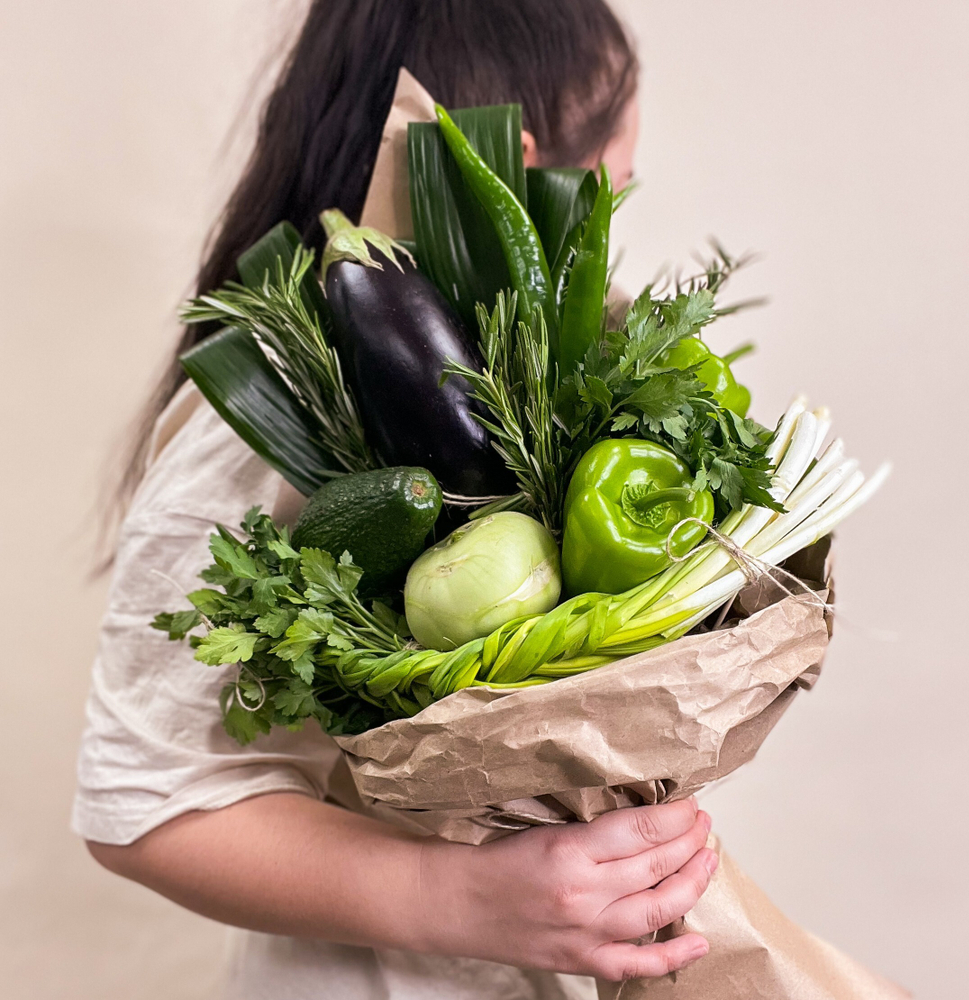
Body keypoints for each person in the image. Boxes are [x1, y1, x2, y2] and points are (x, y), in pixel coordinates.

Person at [76, 3, 718, 998]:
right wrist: (464, 898)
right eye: (616, 186)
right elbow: (140, 801)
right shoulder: (281, 400)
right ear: (528, 168)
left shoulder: (535, 376)